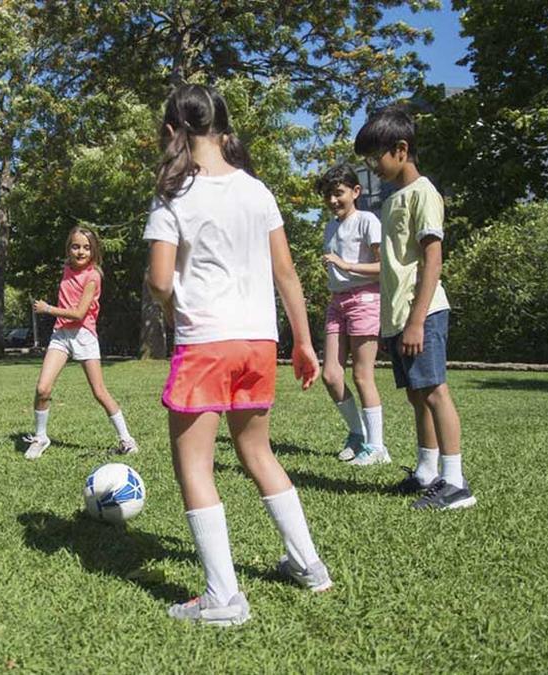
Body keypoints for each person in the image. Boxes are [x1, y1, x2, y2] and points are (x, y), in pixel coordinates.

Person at [145, 84, 331, 627]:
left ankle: (223, 598)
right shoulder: (258, 190)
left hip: (205, 342)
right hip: (259, 341)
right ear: (222, 129)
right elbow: (287, 273)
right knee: (258, 453)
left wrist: (168, 296)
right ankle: (309, 565)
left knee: (195, 468)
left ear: (173, 131)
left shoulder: (172, 195)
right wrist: (303, 341)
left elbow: (160, 281)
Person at [354, 105, 475, 510]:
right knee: (417, 396)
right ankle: (426, 472)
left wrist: (417, 321)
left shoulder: (423, 193)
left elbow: (432, 260)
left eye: (376, 158)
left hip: (421, 313)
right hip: (398, 317)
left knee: (436, 391)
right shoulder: (392, 199)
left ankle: (455, 483)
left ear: (401, 149)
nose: (373, 167)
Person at [23, 226, 138, 459]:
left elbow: (79, 313)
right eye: (75, 246)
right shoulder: (66, 268)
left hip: (83, 335)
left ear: (93, 251)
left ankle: (127, 440)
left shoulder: (93, 276)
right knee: (42, 388)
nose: (80, 251)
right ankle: (41, 437)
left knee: (99, 392)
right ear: (69, 249)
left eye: (86, 247)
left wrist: (48, 309)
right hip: (61, 335)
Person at [316, 164, 388, 466]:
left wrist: (346, 266)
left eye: (338, 193)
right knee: (331, 375)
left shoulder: (367, 220)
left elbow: (384, 267)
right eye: (328, 195)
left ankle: (378, 447)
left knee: (361, 375)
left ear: (355, 192)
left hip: (365, 300)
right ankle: (358, 435)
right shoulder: (331, 226)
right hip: (338, 302)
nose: (333, 200)